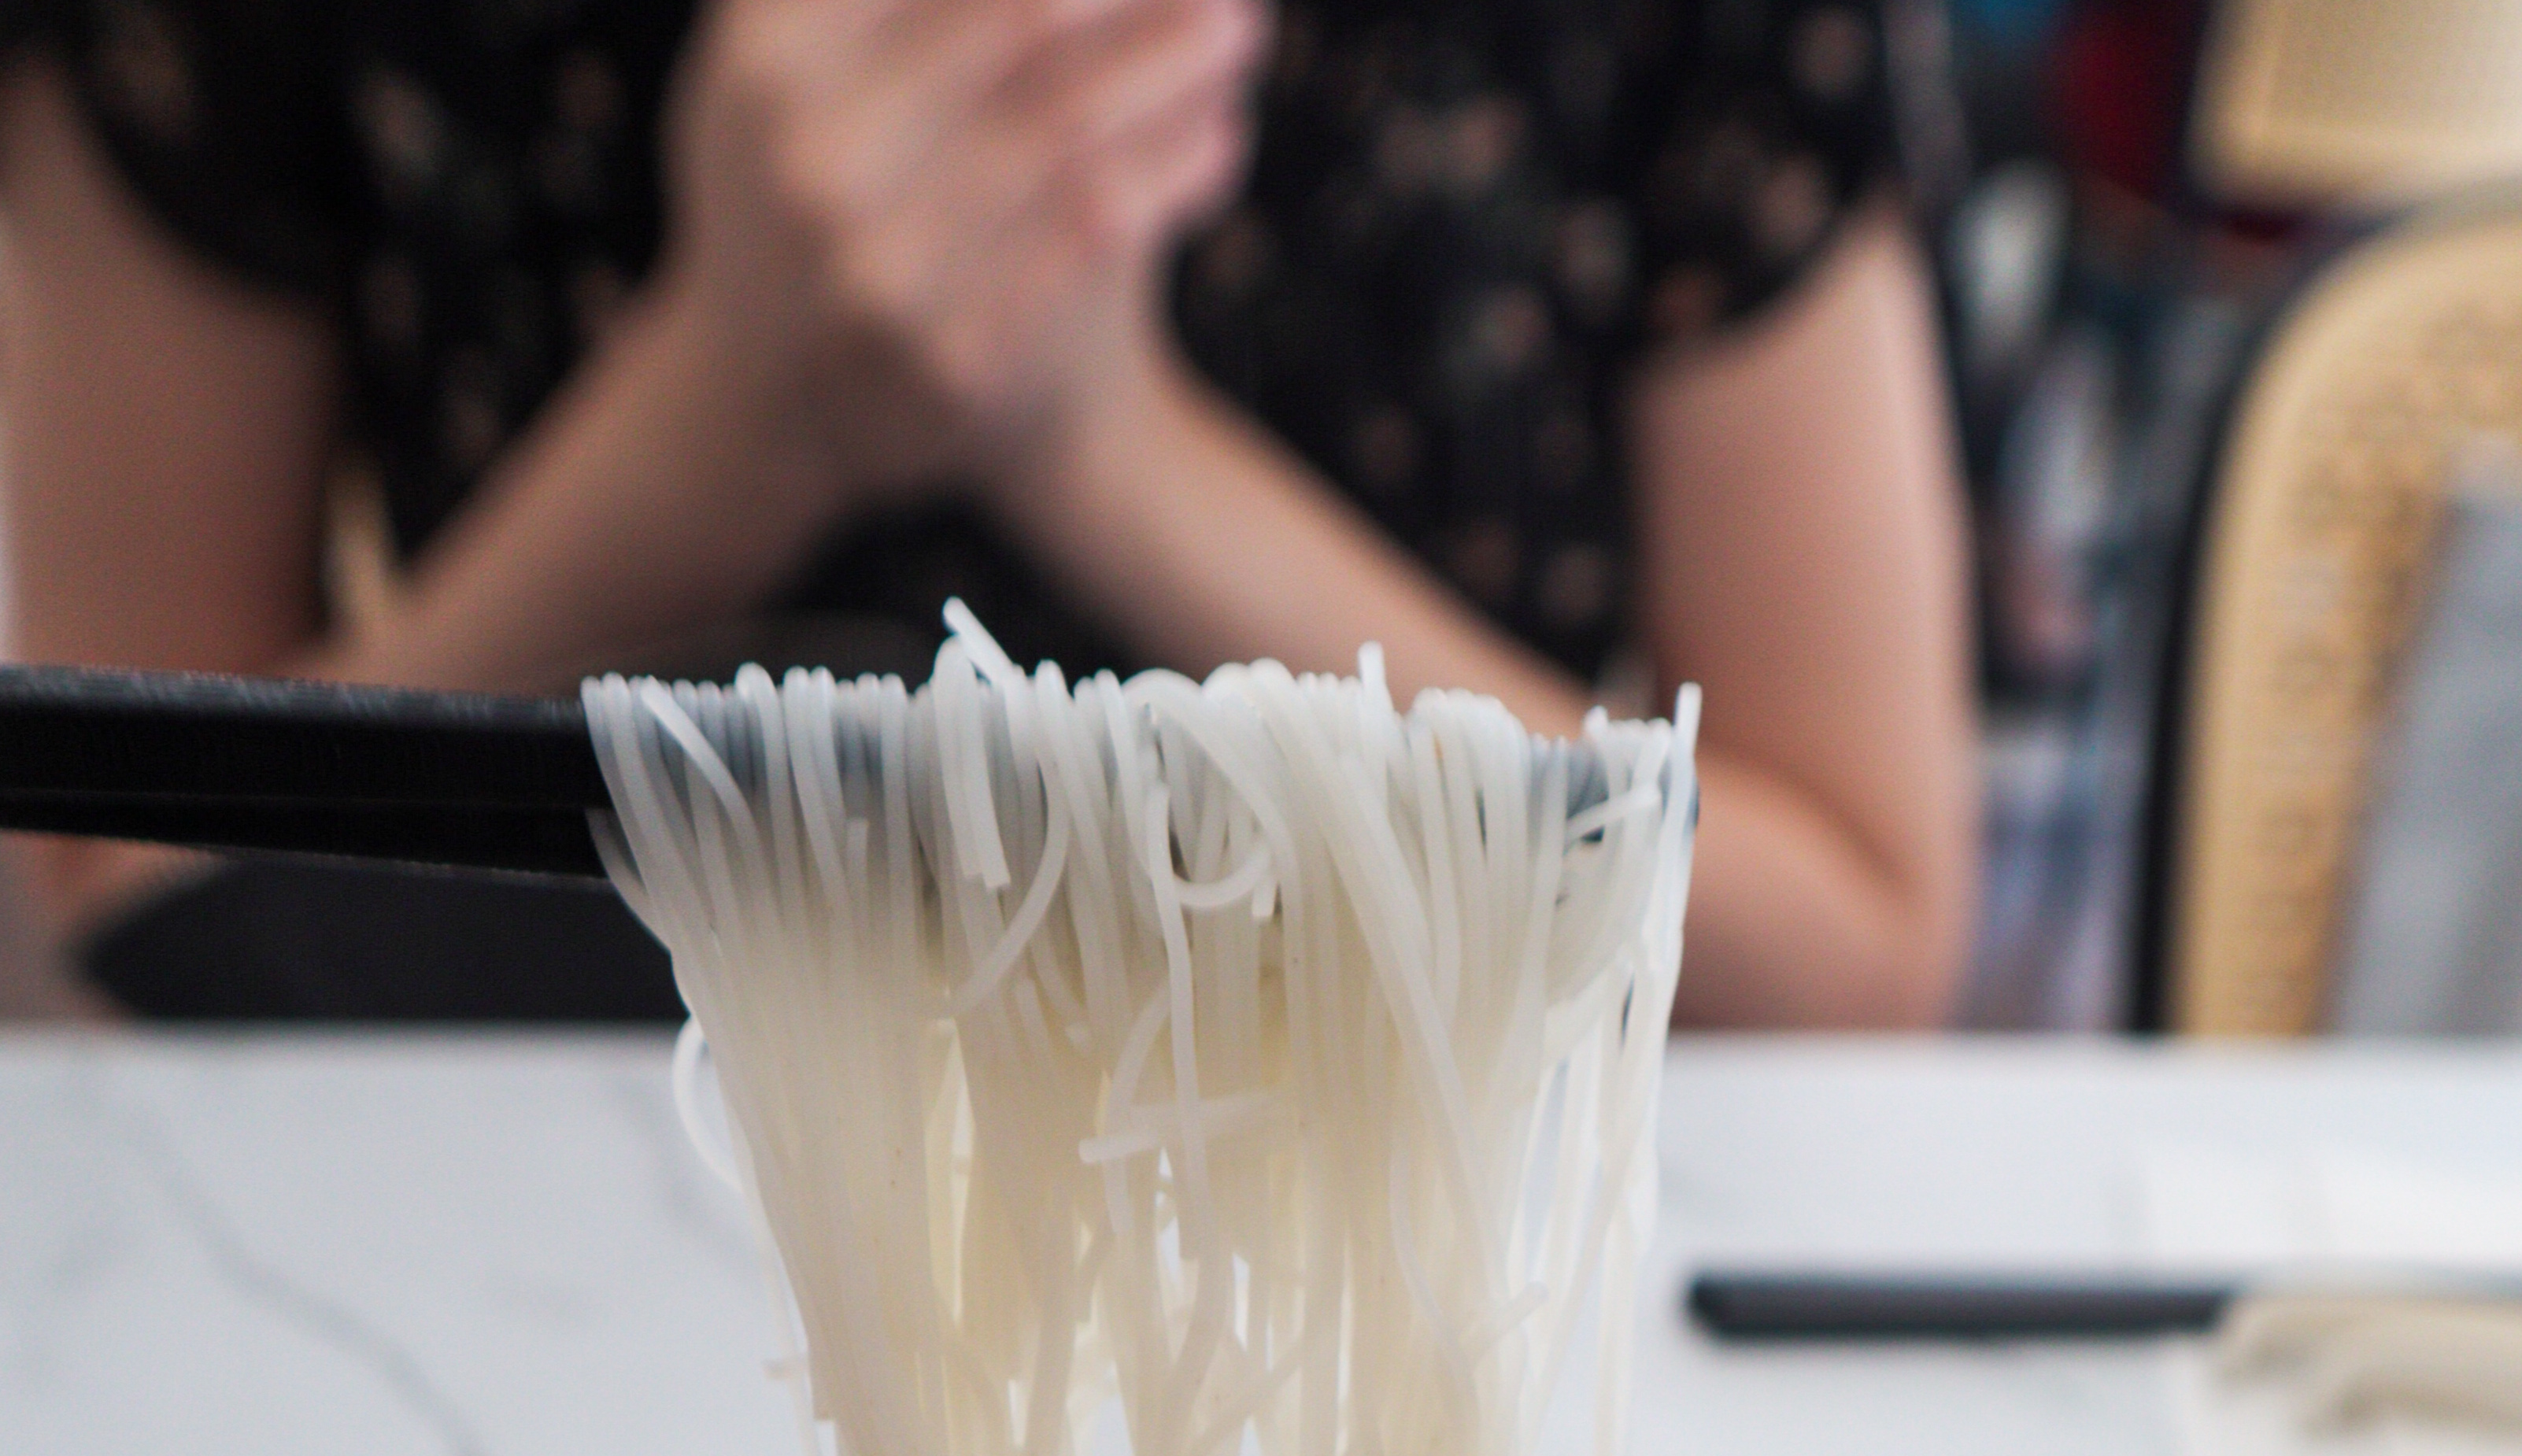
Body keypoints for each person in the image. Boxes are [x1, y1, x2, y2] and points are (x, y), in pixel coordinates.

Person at [0, 0, 1978, 1025]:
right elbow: (103, 903)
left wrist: (1105, 450)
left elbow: (1865, 938)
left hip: (1437, 1276)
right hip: (509, 1259)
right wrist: (720, 426)